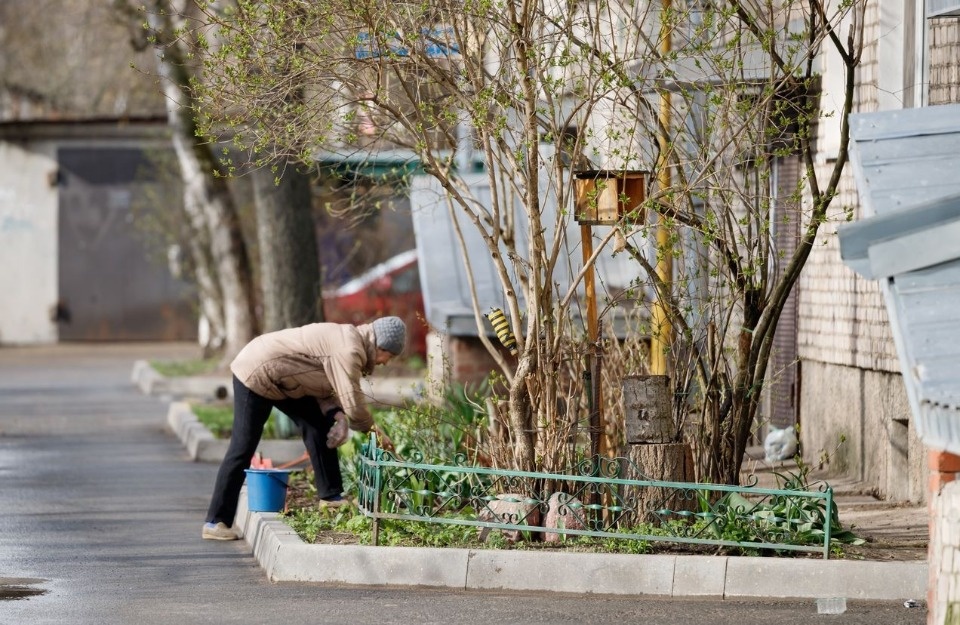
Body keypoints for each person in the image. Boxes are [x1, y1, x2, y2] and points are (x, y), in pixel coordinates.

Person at [201, 316, 407, 541]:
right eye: (390, 356)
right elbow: (353, 403)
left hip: (284, 379)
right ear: (381, 345)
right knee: (243, 445)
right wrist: (374, 432)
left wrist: (338, 416)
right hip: (256, 371)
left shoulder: (350, 340)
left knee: (318, 424)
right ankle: (215, 521)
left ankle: (331, 497)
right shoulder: (350, 350)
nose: (386, 363)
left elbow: (323, 386)